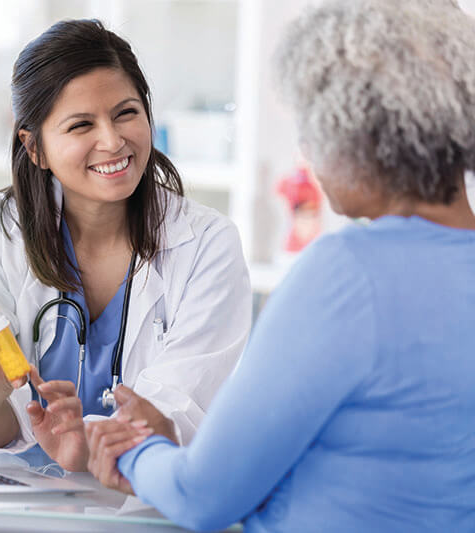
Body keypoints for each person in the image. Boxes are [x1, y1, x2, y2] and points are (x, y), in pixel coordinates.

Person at [85, 0, 475, 530]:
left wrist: (133, 449)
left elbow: (202, 496)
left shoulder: (349, 274)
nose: (309, 151)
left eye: (312, 127)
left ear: (358, 135)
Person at [0, 19, 252, 472]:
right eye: (81, 124)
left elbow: (178, 414)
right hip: (15, 502)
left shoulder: (206, 246)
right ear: (35, 148)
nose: (112, 140)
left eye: (126, 112)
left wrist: (85, 447)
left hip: (142, 499)